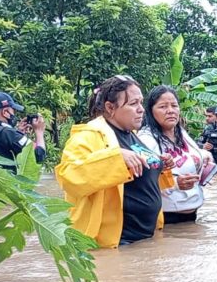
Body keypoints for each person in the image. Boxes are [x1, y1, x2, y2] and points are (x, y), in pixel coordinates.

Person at [56, 75, 174, 248]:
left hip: (145, 240)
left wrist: (160, 166)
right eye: (133, 103)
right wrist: (115, 157)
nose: (141, 109)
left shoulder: (131, 135)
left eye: (141, 102)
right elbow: (69, 177)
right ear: (110, 107)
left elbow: (138, 181)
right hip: (115, 242)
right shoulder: (88, 136)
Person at [138, 85, 214, 224]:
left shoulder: (181, 133)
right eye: (163, 107)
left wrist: (204, 156)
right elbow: (142, 180)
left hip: (191, 216)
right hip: (165, 218)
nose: (170, 111)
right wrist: (174, 184)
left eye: (174, 105)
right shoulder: (146, 139)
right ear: (150, 111)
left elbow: (191, 155)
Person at [0, 92, 47, 172]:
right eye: (13, 111)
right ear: (5, 112)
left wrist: (18, 133)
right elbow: (38, 156)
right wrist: (39, 132)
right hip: (5, 183)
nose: (14, 114)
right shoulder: (8, 133)